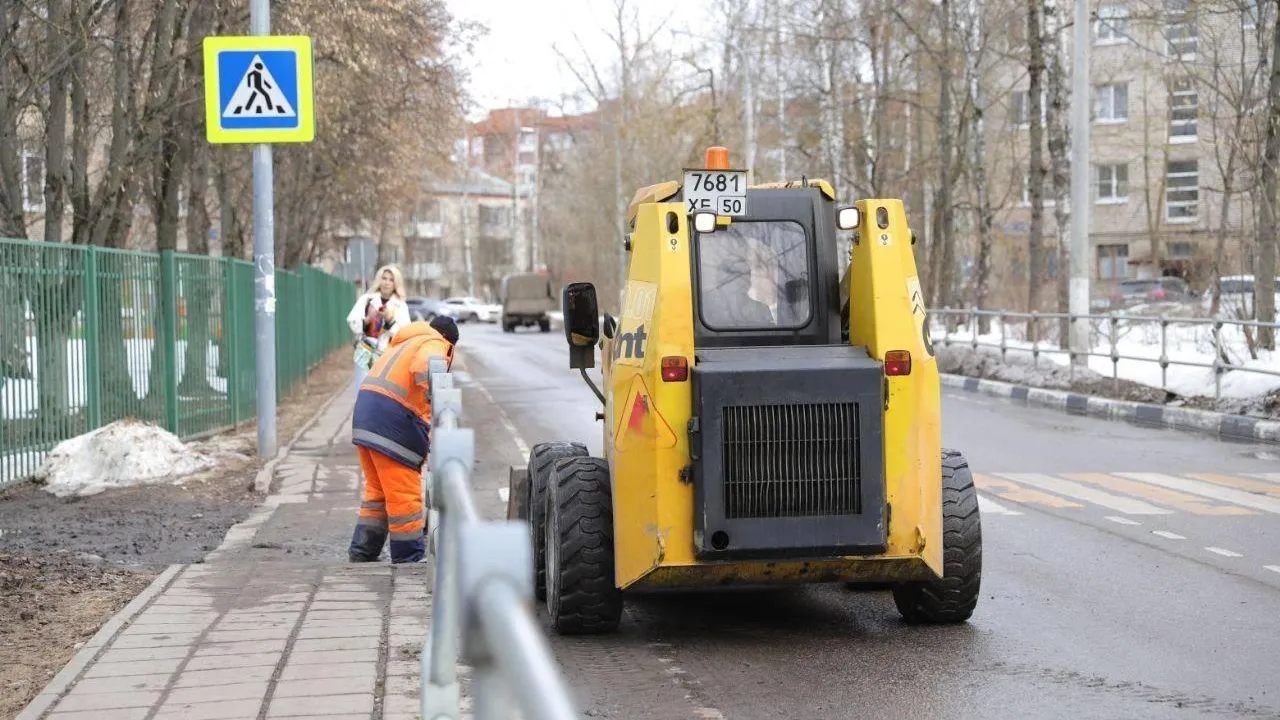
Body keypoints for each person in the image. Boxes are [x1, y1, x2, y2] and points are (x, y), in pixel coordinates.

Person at [348, 315, 460, 564]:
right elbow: (425, 367)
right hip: (391, 421)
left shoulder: (405, 342)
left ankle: (363, 552)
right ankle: (408, 558)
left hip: (365, 415)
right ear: (450, 343)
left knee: (378, 491)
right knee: (404, 494)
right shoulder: (434, 342)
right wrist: (437, 398)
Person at [346, 265, 411, 393]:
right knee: (363, 391)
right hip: (365, 352)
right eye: (384, 278)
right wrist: (368, 319)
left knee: (384, 393)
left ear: (395, 284)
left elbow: (405, 333)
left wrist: (390, 320)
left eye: (391, 280)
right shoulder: (367, 300)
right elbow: (352, 322)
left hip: (388, 356)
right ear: (379, 280)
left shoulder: (400, 305)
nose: (386, 283)